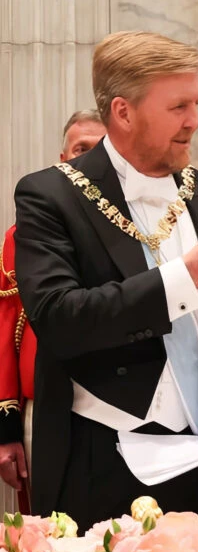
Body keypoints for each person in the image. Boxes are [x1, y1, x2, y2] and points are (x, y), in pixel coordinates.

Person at [14, 31, 198, 534]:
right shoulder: (50, 196)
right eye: (178, 106)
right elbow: (61, 320)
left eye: (195, 103)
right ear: (124, 112)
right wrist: (189, 275)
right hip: (97, 460)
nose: (194, 120)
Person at [0, 110, 105, 507]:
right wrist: (6, 427)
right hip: (43, 407)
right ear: (62, 160)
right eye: (80, 150)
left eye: (100, 150)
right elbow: (5, 326)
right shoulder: (24, 233)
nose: (88, 160)